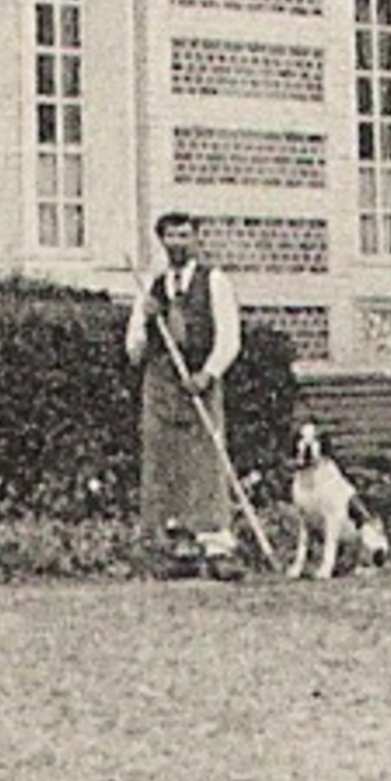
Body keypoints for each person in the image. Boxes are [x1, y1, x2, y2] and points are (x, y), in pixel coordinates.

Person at [125, 212, 244, 580]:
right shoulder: (152, 286)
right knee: (165, 461)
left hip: (200, 380)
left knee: (205, 459)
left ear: (196, 239)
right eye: (170, 236)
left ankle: (217, 546)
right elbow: (134, 350)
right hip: (161, 383)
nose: (178, 242)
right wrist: (146, 319)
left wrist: (209, 373)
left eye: (184, 235)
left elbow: (230, 337)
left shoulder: (215, 281)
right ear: (161, 241)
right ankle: (177, 546)